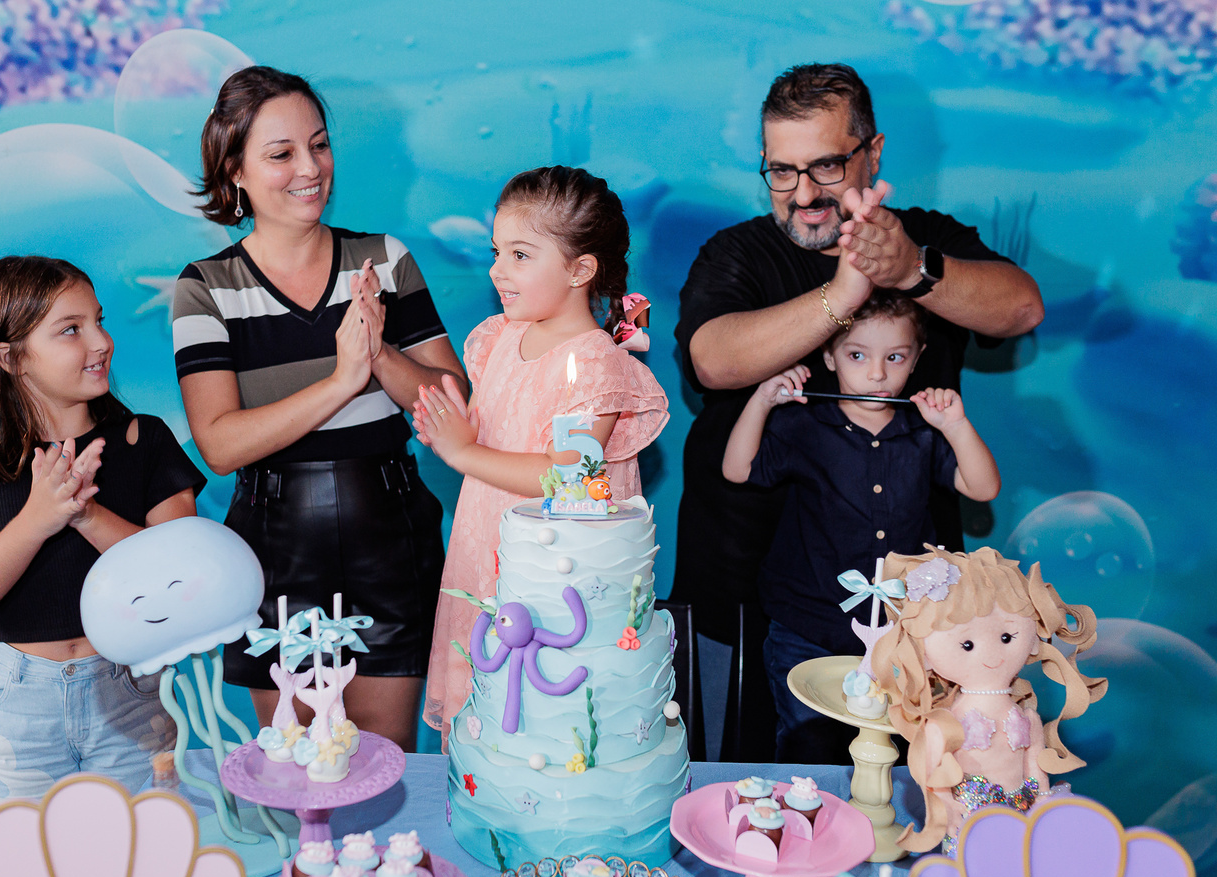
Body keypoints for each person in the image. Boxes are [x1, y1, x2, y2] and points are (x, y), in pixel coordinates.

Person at [672, 62, 1044, 761]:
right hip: (739, 596)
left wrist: (909, 271)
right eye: (781, 171)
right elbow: (713, 361)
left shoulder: (926, 240)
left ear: (873, 154)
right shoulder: (736, 253)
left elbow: (1021, 307)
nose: (803, 193)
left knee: (903, 787)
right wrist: (842, 296)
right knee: (741, 788)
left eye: (826, 166)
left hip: (910, 612)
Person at [173, 67, 465, 751]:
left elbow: (455, 404)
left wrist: (380, 354)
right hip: (276, 549)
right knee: (296, 765)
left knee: (385, 763)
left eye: (320, 145)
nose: (310, 169)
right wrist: (341, 380)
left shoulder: (384, 260)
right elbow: (220, 444)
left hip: (390, 535)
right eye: (281, 154)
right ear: (235, 172)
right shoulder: (205, 287)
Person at [0, 255, 205, 813]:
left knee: (150, 850)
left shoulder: (145, 441)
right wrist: (37, 517)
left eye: (99, 321)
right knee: (30, 861)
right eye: (71, 329)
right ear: (10, 357)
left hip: (131, 691)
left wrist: (84, 513)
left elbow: (180, 580)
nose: (101, 342)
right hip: (16, 699)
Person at [415, 166, 669, 744]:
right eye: (496, 251)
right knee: (487, 729)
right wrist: (453, 429)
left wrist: (462, 451)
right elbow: (492, 431)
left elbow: (568, 477)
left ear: (580, 270)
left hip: (554, 576)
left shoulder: (596, 365)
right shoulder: (500, 338)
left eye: (520, 255)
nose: (497, 270)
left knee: (545, 726)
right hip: (487, 552)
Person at [722, 291, 1001, 761]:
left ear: (917, 358)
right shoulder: (805, 425)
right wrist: (762, 401)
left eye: (895, 357)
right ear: (829, 355)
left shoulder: (922, 432)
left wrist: (955, 425)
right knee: (807, 747)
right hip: (806, 628)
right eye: (857, 355)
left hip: (900, 635)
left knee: (892, 751)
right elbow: (737, 469)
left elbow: (983, 487)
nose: (876, 374)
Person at [872, 546, 1105, 854]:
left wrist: (1043, 801)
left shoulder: (1028, 718)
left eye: (1007, 637)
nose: (991, 653)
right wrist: (946, 805)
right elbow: (935, 772)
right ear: (925, 655)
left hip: (1022, 819)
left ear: (1033, 641)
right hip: (971, 824)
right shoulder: (946, 723)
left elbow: (1035, 766)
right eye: (967, 644)